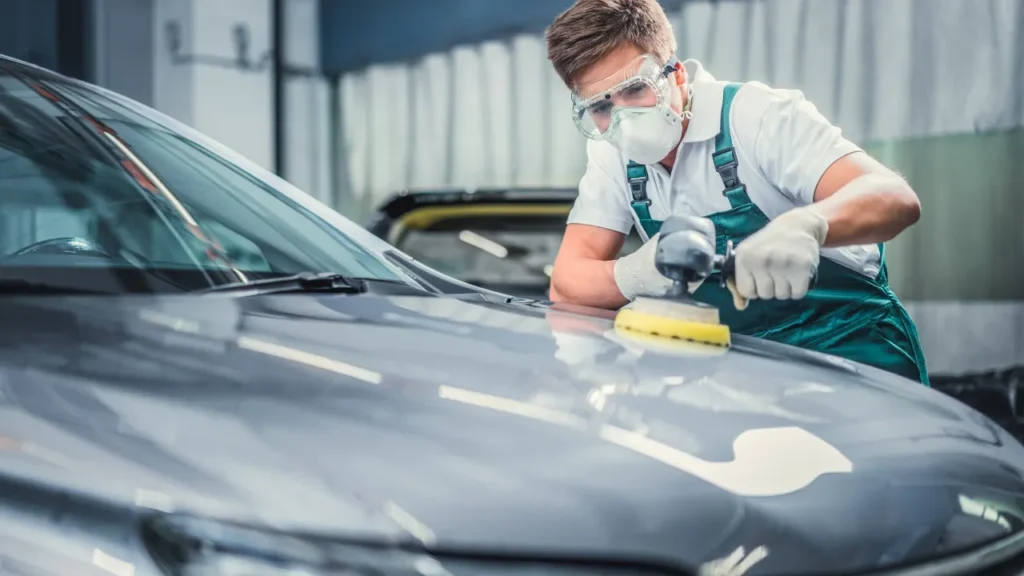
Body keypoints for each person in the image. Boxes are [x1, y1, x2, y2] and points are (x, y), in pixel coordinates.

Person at [544, 0, 929, 385]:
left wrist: (807, 226)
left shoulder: (757, 116)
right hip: (738, 375)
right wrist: (638, 274)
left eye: (634, 89)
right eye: (599, 106)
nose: (622, 120)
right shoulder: (610, 153)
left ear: (675, 76)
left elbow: (894, 197)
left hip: (849, 349)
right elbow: (566, 283)